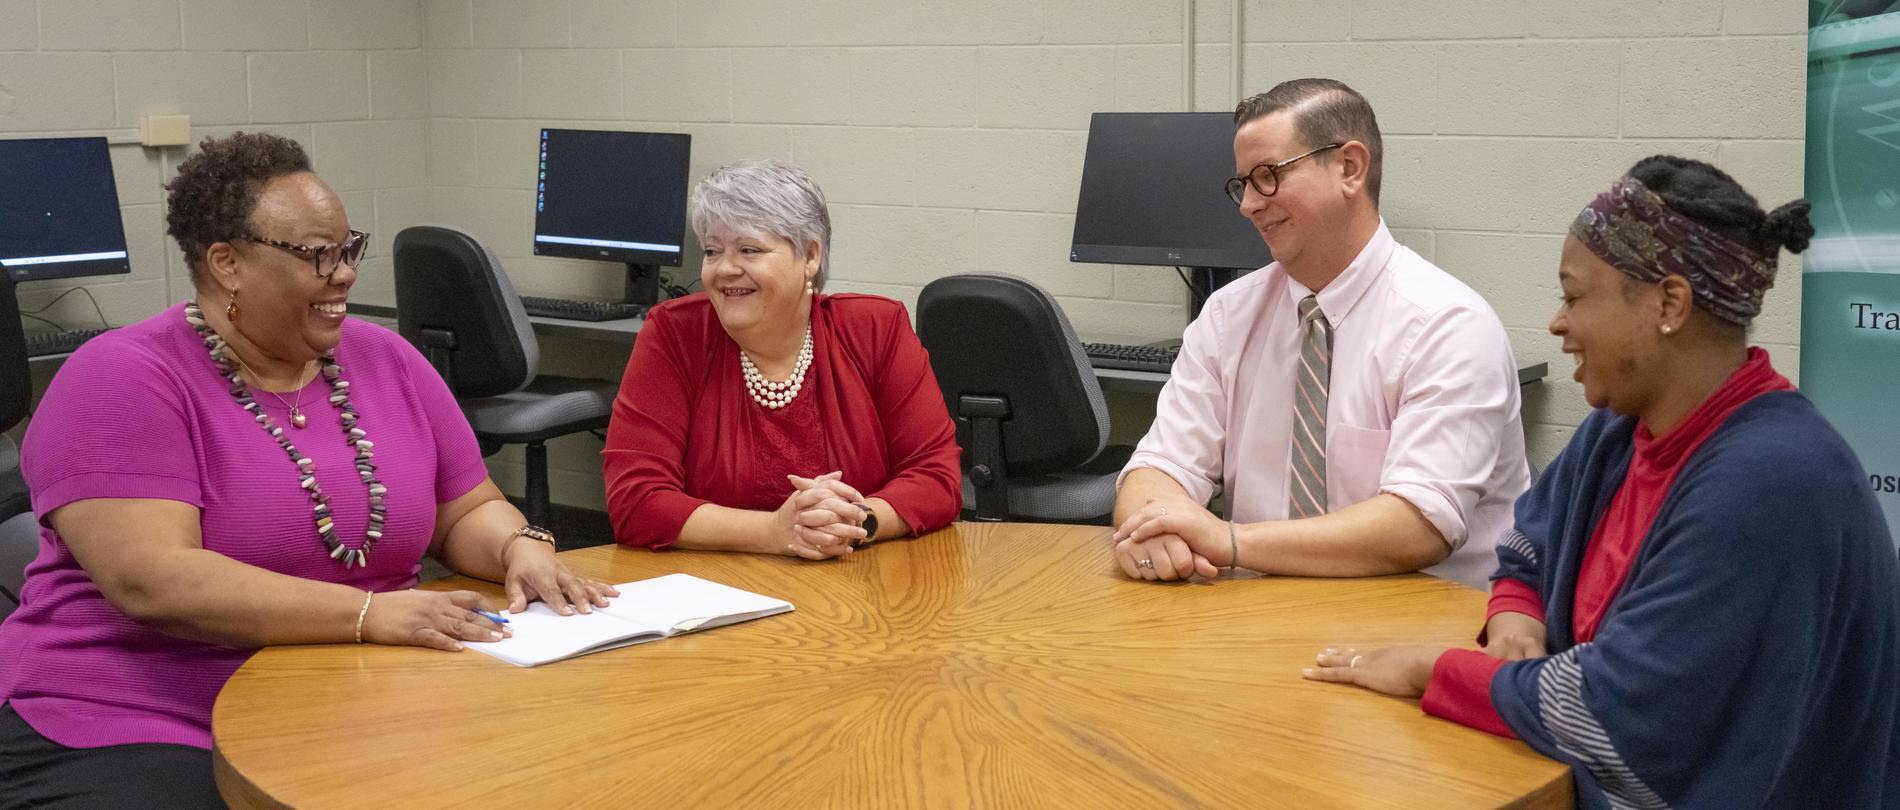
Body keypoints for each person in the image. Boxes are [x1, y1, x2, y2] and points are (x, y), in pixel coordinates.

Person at [0, 132, 618, 807]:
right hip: (144, 710)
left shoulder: (388, 360)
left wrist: (517, 546)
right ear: (227, 263)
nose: (345, 272)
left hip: (354, 689)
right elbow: (156, 582)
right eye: (316, 255)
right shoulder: (123, 376)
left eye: (347, 247)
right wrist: (368, 614)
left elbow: (464, 509)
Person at [1303, 156, 1900, 807]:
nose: (1558, 322)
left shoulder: (1771, 482)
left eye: (1575, 295)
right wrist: (1514, 620)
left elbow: (1619, 714)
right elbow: (1531, 543)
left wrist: (1430, 669)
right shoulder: (1625, 422)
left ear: (1668, 304)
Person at [1111, 79, 1530, 587]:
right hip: (1259, 617)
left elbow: (1420, 525)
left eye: (1267, 176)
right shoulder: (1228, 316)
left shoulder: (1447, 325)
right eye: (1241, 183)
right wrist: (1155, 531)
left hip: (1419, 629)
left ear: (1349, 168)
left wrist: (1230, 541)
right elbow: (1158, 467)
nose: (1248, 204)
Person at [602, 159, 961, 557]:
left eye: (749, 250)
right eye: (712, 251)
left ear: (809, 256)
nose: (724, 269)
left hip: (859, 585)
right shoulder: (674, 334)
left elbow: (936, 478)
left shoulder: (875, 328)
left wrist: (855, 522)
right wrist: (774, 531)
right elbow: (636, 501)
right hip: (714, 590)